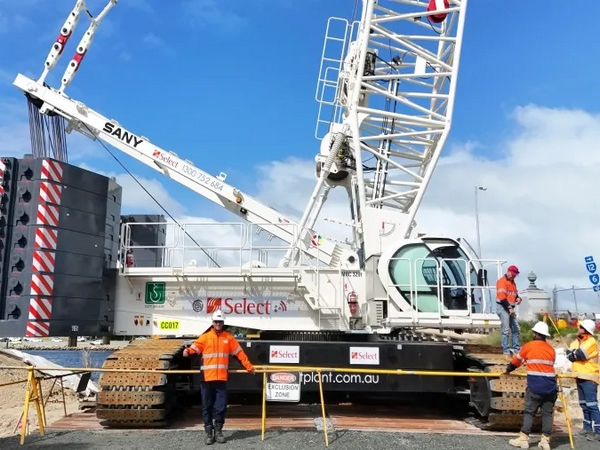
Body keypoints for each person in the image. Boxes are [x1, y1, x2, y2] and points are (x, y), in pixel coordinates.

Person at [183, 310, 255, 445]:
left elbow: (240, 354)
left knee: (221, 407)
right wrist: (187, 352)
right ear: (212, 322)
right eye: (216, 321)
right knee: (207, 406)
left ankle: (219, 432)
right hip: (207, 379)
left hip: (221, 379)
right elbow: (194, 349)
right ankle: (209, 433)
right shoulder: (205, 337)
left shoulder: (228, 338)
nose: (218, 324)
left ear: (223, 323)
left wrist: (249, 367)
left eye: (220, 321)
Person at [506, 321, 557, 450]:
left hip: (535, 387)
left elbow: (516, 361)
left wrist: (508, 369)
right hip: (551, 387)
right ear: (545, 336)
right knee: (547, 414)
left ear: (535, 334)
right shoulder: (551, 349)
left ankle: (523, 439)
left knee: (529, 412)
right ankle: (545, 441)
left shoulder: (529, 346)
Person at [566, 319, 600, 441]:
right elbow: (569, 355)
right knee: (584, 405)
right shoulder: (577, 341)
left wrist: (574, 354)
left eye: (580, 326)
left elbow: (579, 355)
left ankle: (598, 432)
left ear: (585, 330)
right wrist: (573, 354)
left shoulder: (591, 342)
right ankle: (587, 428)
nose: (578, 328)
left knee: (592, 405)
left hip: (589, 377)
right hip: (580, 376)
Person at [496, 265, 522, 358]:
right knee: (506, 330)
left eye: (515, 275)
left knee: (516, 329)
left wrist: (518, 298)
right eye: (513, 274)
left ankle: (516, 350)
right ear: (508, 271)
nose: (514, 276)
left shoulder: (513, 283)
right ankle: (506, 352)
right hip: (503, 308)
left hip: (510, 308)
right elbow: (502, 297)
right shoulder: (501, 282)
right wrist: (509, 308)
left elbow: (514, 294)